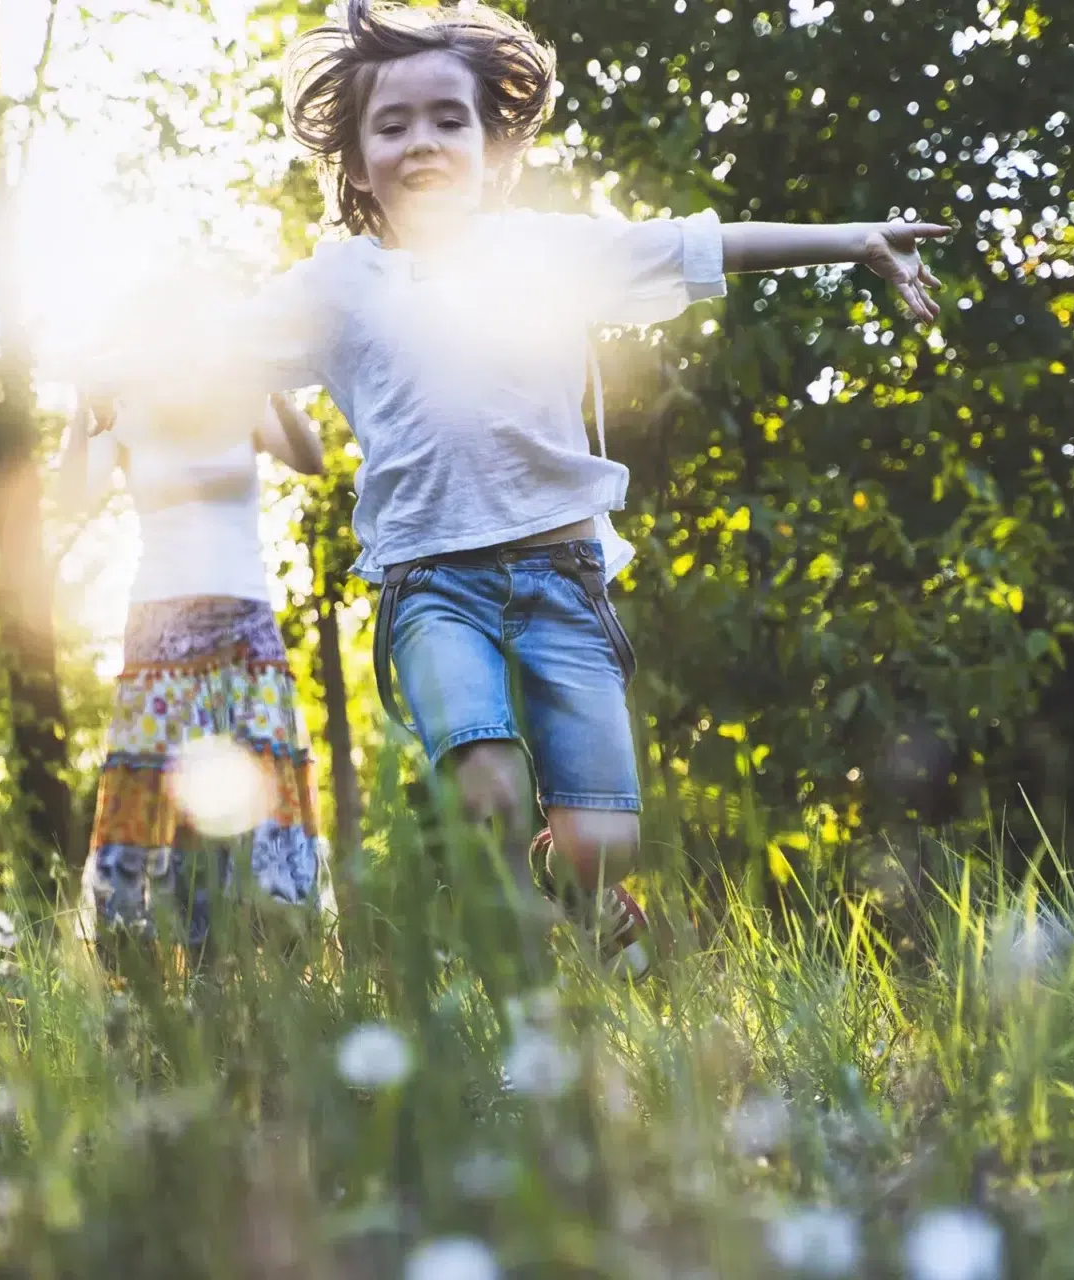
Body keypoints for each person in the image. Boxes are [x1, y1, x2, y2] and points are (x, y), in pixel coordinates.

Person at [87, 0, 950, 962]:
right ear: (357, 156)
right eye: (393, 124)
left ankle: (575, 901)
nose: (423, 142)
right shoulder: (335, 288)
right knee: (488, 787)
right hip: (432, 584)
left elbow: (703, 245)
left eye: (448, 119)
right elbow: (206, 343)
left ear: (494, 144)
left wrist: (856, 238)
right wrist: (108, 365)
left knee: (605, 845)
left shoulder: (550, 254)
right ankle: (510, 964)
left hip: (562, 577)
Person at [59, 388, 328, 954]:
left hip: (246, 623)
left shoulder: (242, 396)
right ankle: (190, 983)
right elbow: (71, 499)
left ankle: (267, 970)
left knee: (255, 795)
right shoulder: (123, 407)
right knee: (171, 802)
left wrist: (270, 385)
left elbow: (311, 458)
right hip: (161, 627)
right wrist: (81, 411)